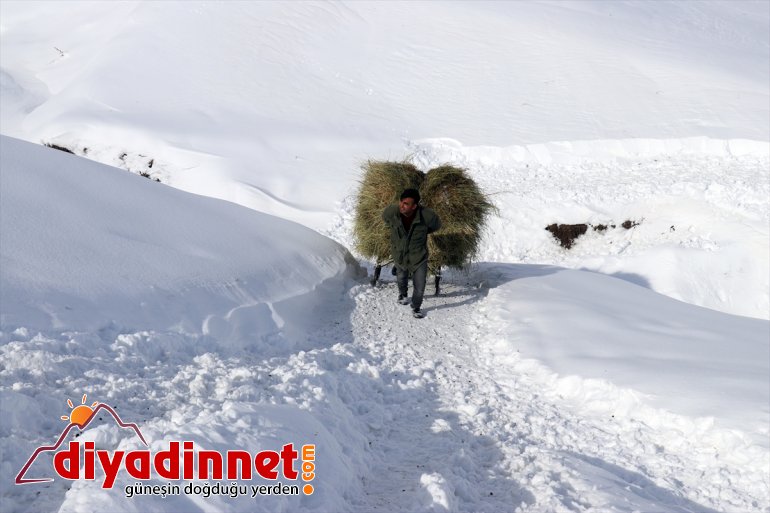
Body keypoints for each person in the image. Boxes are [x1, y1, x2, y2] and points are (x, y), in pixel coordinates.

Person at [381, 188, 441, 318]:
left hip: (418, 256)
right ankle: (402, 294)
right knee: (401, 278)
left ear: (414, 206)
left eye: (406, 204)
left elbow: (436, 225)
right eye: (402, 202)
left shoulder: (427, 215)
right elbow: (385, 218)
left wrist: (423, 232)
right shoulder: (392, 212)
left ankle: (416, 306)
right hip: (400, 255)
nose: (402, 205)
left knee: (420, 285)